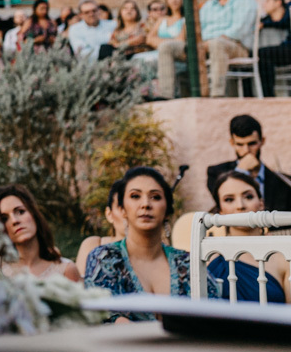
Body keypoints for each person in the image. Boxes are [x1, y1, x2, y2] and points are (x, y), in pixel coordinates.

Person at [84, 167, 216, 321]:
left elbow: (213, 315)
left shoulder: (188, 263)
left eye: (155, 197)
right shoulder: (104, 259)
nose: (145, 204)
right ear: (122, 209)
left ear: (167, 210)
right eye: (135, 196)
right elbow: (103, 317)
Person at [158, 0, 258, 98]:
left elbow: (239, 30)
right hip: (204, 46)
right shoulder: (209, 5)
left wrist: (208, 42)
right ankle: (166, 95)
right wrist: (200, 43)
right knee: (166, 47)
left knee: (217, 43)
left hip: (236, 46)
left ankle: (217, 94)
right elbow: (198, 29)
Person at [206, 171, 289, 303]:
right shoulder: (208, 256)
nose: (240, 206)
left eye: (248, 197)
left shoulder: (283, 256)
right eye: (229, 199)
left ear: (261, 204)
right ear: (220, 211)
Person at [0, 184, 80, 282]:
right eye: (4, 219)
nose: (14, 221)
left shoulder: (66, 269)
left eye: (20, 211)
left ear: (33, 213)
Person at [205, 115, 291, 212]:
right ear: (232, 143)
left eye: (252, 143)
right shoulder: (216, 173)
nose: (246, 150)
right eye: (240, 144)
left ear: (262, 141)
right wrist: (240, 171)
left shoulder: (283, 182)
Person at [76, 179, 128, 277]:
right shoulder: (93, 245)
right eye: (122, 208)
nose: (128, 215)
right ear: (109, 214)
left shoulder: (160, 253)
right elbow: (77, 288)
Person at [139, 0, 185, 64]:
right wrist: (171, 41)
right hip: (157, 53)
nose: (174, 0)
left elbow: (180, 41)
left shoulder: (185, 20)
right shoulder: (162, 20)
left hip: (176, 56)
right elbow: (149, 39)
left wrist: (157, 40)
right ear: (167, 0)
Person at [258, 0, 291, 97]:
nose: (264, 4)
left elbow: (284, 21)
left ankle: (267, 96)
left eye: (268, 1)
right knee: (261, 55)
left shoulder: (288, 9)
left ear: (278, 3)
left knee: (262, 54)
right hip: (286, 47)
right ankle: (266, 95)